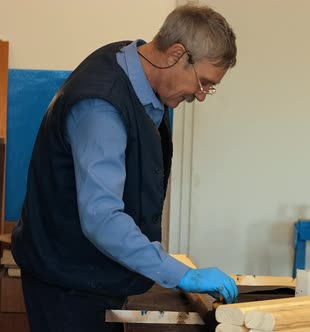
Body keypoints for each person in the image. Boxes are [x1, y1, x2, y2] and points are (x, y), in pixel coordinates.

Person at [11, 3, 238, 332]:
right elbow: (102, 219)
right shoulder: (101, 107)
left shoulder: (131, 64)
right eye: (202, 82)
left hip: (92, 275)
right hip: (67, 287)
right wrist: (180, 274)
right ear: (176, 54)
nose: (201, 96)